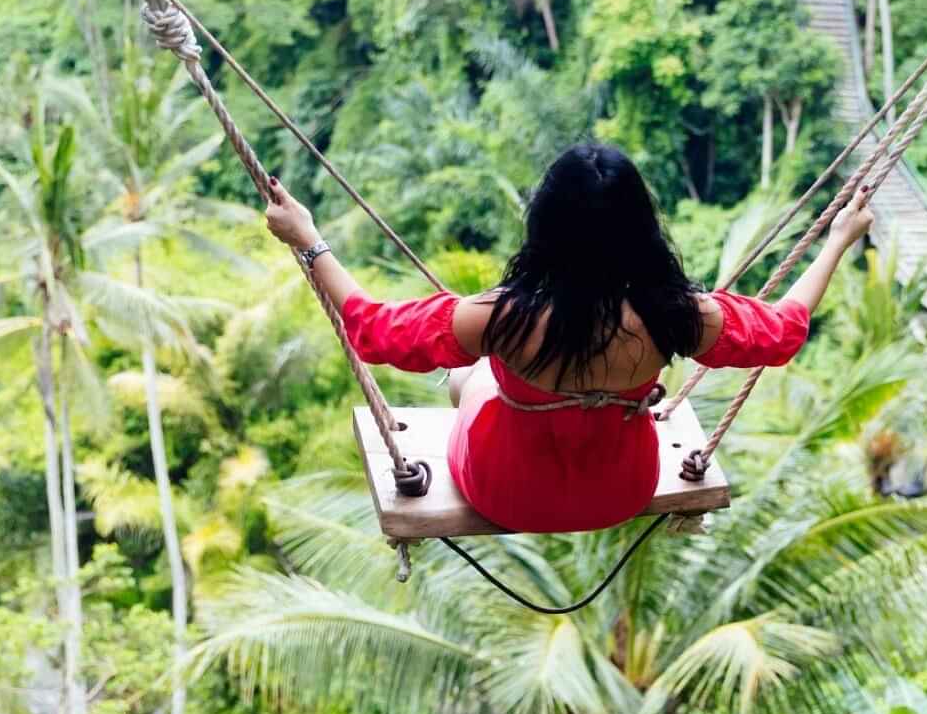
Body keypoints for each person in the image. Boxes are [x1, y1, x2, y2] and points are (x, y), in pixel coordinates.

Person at [264, 143, 876, 535]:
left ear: (543, 225)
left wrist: (308, 239)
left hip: (503, 490)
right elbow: (785, 331)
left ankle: (475, 385)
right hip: (620, 491)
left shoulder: (500, 319)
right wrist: (837, 241)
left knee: (468, 377)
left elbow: (374, 331)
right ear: (642, 227)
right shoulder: (678, 315)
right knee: (512, 384)